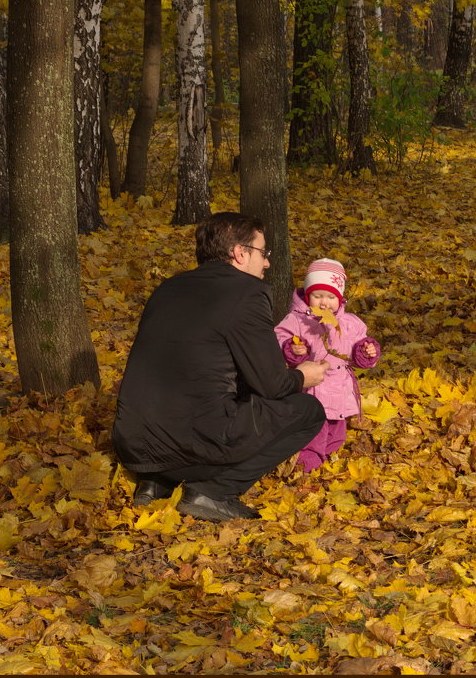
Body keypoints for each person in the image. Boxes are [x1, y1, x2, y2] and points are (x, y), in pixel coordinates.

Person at [112, 212, 329, 522]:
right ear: (240, 253)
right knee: (308, 410)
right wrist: (303, 375)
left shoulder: (168, 288)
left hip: (134, 446)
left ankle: (159, 481)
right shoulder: (248, 293)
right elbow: (271, 384)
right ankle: (214, 492)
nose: (267, 263)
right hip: (193, 442)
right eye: (263, 253)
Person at [274, 258, 381, 474]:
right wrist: (292, 349)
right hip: (313, 391)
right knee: (313, 436)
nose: (324, 303)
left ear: (340, 298)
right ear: (307, 295)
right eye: (318, 296)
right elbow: (279, 337)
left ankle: (327, 467)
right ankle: (306, 471)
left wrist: (366, 351)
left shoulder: (350, 323)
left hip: (340, 391)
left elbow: (357, 349)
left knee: (336, 435)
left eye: (331, 297)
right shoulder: (297, 320)